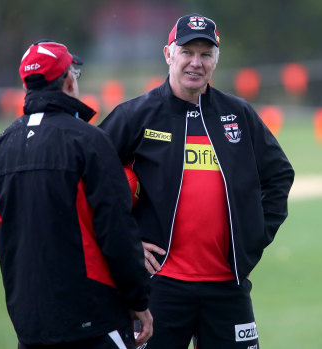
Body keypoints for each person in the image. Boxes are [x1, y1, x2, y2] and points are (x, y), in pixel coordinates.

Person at [99, 13, 294, 349]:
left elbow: (279, 175)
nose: (196, 62)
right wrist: (128, 243)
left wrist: (254, 236)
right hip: (160, 287)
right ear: (168, 54)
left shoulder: (238, 114)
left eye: (206, 54)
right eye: (187, 51)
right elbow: (91, 180)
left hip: (226, 287)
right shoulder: (135, 115)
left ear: (216, 60)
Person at [0, 40, 153, 348]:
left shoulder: (1, 145)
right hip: (92, 319)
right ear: (68, 80)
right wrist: (139, 299)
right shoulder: (90, 141)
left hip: (29, 322)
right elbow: (116, 231)